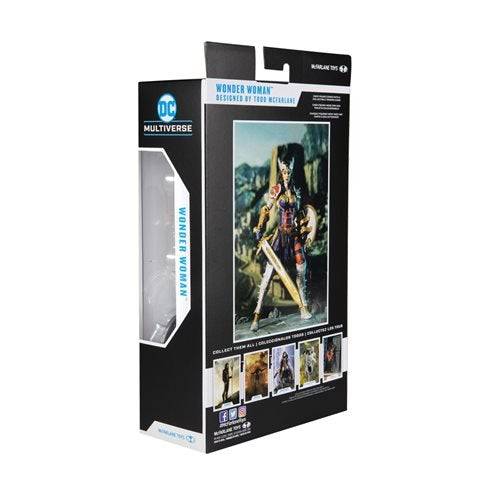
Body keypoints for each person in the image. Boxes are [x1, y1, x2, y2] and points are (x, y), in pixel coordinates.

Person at [251, 144, 314, 332]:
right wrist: (260, 226)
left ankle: (303, 307)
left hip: (294, 236)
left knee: (301, 268)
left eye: (288, 171)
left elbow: (302, 213)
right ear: (281, 172)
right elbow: (266, 209)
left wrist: (304, 226)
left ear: (291, 172)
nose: (286, 174)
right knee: (269, 274)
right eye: (284, 171)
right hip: (280, 237)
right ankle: (256, 315)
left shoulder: (296, 191)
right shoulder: (276, 190)